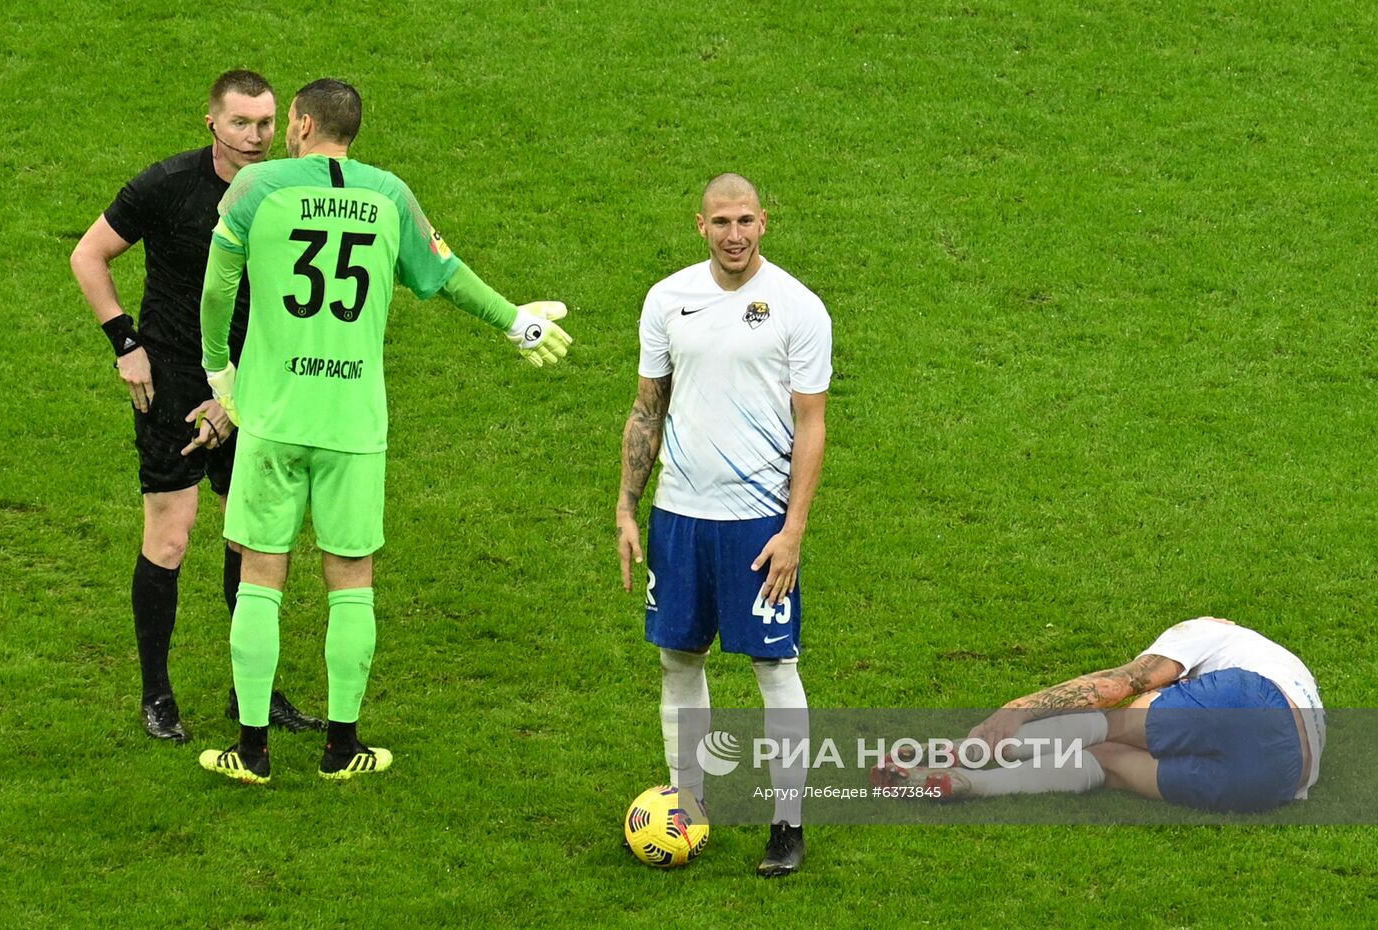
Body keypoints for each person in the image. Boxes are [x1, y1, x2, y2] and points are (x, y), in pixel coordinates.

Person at [194, 78, 573, 785]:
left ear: (301, 123)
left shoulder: (255, 190)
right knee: (351, 581)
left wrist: (219, 372)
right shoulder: (390, 196)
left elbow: (217, 290)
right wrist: (513, 320)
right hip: (354, 424)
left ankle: (251, 751)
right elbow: (445, 274)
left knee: (260, 576)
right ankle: (342, 748)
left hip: (274, 420)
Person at [70, 69, 322, 743]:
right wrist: (126, 343)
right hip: (175, 381)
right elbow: (90, 255)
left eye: (266, 123)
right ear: (211, 123)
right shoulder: (167, 185)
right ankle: (157, 696)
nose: (255, 136)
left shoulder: (289, 194)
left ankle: (255, 693)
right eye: (241, 123)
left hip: (257, 384)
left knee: (253, 540)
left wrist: (240, 396)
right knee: (172, 537)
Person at [616, 173, 832, 877]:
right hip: (679, 515)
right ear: (699, 226)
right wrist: (626, 504)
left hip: (756, 525)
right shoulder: (667, 299)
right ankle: (689, 805)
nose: (734, 234)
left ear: (765, 222)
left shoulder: (798, 307)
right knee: (679, 660)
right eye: (721, 222)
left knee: (774, 664)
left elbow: (812, 424)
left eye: (745, 220)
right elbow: (648, 409)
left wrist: (793, 529)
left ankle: (787, 824)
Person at [873, 617, 1325, 812]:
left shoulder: (1208, 633)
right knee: (1107, 764)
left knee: (1117, 725)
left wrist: (1017, 710)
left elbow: (1122, 684)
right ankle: (973, 783)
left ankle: (962, 751)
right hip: (1280, 781)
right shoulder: (1277, 660)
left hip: (1254, 702)